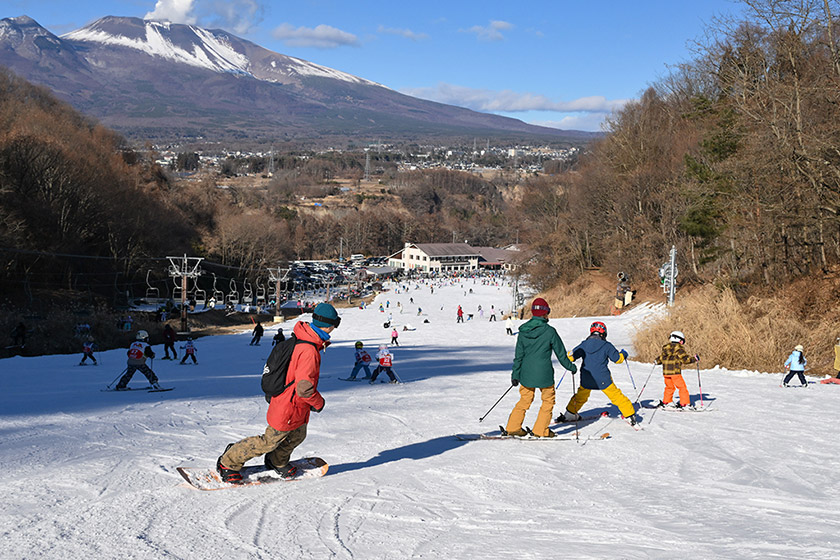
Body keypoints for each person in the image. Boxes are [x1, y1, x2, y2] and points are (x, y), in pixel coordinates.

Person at [217, 302, 340, 484]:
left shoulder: (307, 340)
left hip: (297, 405)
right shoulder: (309, 350)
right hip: (288, 405)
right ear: (330, 325)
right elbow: (304, 387)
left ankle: (277, 461)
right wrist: (318, 402)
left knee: (298, 435)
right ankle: (229, 461)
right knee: (269, 441)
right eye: (335, 324)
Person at [504, 298, 576, 438]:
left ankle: (513, 427)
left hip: (526, 374)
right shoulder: (550, 332)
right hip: (545, 374)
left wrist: (515, 375)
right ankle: (540, 430)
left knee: (524, 400)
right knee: (548, 401)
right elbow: (561, 355)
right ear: (545, 313)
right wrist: (571, 367)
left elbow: (519, 356)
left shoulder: (523, 332)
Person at [558, 321, 638, 427]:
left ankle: (570, 414)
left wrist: (569, 356)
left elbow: (571, 357)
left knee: (581, 395)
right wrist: (623, 353)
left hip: (586, 378)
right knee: (616, 396)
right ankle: (629, 415)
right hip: (603, 379)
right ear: (604, 333)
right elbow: (617, 359)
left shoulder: (584, 344)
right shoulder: (607, 346)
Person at [652, 331, 698, 408]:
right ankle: (685, 403)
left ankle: (666, 401)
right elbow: (685, 359)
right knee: (682, 387)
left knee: (669, 387)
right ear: (678, 340)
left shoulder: (665, 348)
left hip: (666, 373)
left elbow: (661, 358)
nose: (682, 343)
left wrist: (657, 361)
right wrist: (694, 359)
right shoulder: (679, 349)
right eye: (682, 341)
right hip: (675, 372)